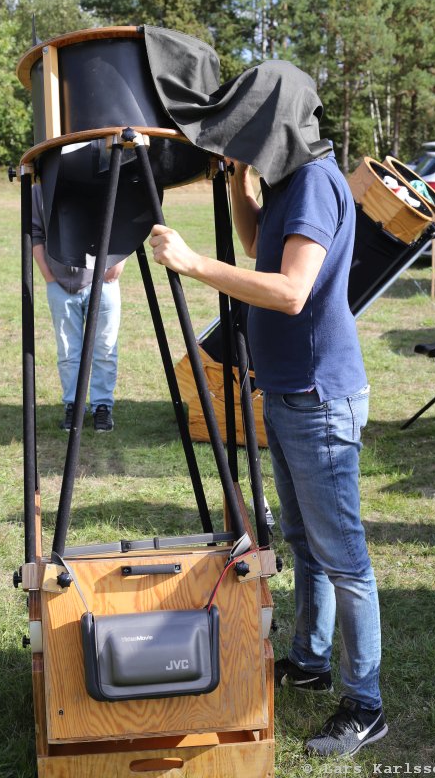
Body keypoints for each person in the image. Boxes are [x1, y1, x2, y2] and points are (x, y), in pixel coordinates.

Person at [147, 153, 386, 757]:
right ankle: (310, 661)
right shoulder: (287, 179)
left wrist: (195, 264)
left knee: (344, 559)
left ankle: (366, 706)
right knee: (305, 544)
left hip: (318, 397)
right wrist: (239, 183)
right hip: (286, 390)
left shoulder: (311, 181)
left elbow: (289, 290)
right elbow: (259, 243)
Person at [31, 183, 126, 432]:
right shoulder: (40, 188)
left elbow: (124, 221)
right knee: (67, 352)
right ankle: (73, 406)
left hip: (103, 281)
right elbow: (35, 232)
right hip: (60, 284)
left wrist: (119, 262)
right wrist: (48, 275)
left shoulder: (103, 176)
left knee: (105, 348)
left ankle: (102, 408)